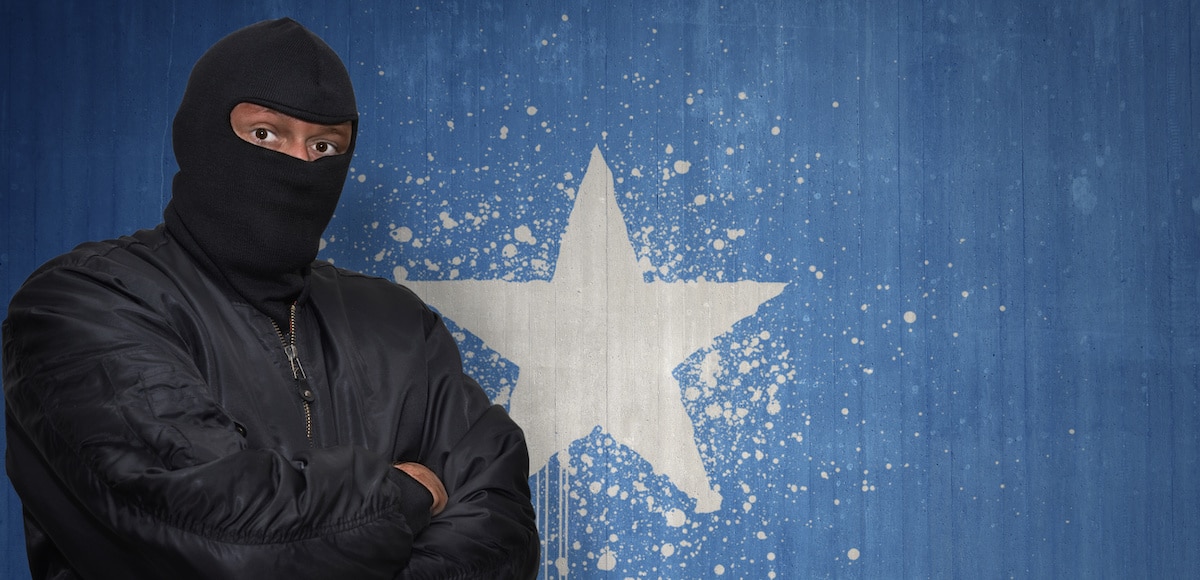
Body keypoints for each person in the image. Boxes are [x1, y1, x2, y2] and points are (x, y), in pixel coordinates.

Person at [2, 18, 539, 579]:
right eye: (265, 134)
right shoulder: (82, 303)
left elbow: (500, 531)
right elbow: (218, 533)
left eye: (325, 144)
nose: (300, 164)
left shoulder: (400, 324)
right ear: (199, 135)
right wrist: (403, 493)